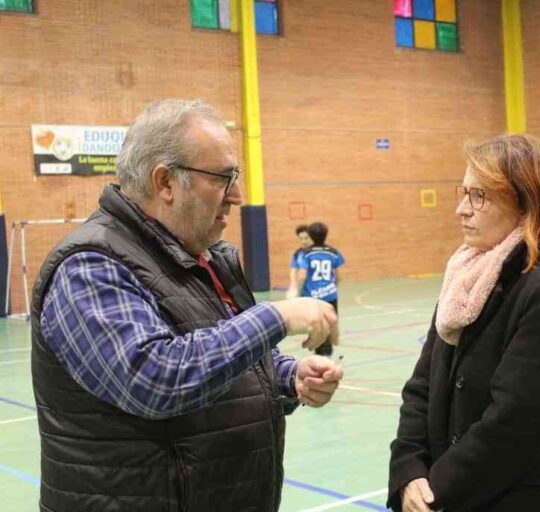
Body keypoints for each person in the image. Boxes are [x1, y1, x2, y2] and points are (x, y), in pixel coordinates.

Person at [30, 99, 344, 512]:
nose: (238, 194)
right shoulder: (89, 267)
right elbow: (155, 379)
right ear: (165, 183)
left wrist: (287, 377)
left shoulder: (202, 257)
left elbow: (219, 353)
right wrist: (276, 316)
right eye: (223, 177)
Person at [388, 134, 540, 512]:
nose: (461, 209)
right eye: (463, 192)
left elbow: (513, 425)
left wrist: (436, 491)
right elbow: (420, 389)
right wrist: (409, 471)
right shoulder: (463, 281)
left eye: (479, 196)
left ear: (527, 204)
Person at [295, 222, 345, 356]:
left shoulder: (305, 253)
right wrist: (331, 288)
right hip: (331, 296)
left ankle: (320, 356)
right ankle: (327, 356)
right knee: (329, 325)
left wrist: (297, 293)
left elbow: (302, 276)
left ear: (310, 236)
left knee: (316, 327)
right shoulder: (334, 252)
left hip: (313, 297)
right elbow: (339, 276)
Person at [286, 224, 312, 298]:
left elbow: (303, 275)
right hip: (303, 290)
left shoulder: (315, 253)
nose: (303, 241)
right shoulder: (298, 253)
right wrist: (293, 283)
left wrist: (297, 292)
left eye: (306, 238)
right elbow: (293, 270)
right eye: (301, 239)